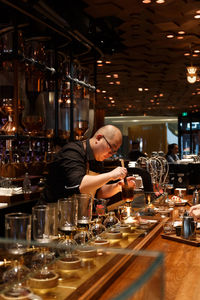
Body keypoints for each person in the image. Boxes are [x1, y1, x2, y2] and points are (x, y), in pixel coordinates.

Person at [44, 125, 135, 202]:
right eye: (111, 148)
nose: (111, 154)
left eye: (114, 152)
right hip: (53, 212)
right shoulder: (72, 152)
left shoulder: (97, 159)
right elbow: (80, 185)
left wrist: (118, 187)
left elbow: (97, 192)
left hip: (77, 214)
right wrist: (111, 175)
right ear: (99, 138)